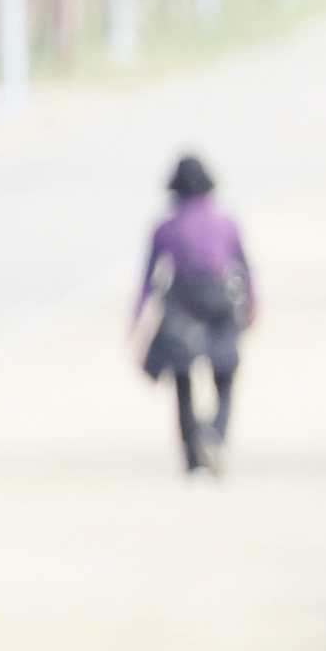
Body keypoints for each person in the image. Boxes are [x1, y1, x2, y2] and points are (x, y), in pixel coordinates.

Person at [130, 153, 258, 477]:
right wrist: (252, 306)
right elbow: (243, 268)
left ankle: (191, 454)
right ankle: (214, 433)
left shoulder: (165, 227)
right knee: (225, 374)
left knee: (183, 380)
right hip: (219, 299)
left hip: (182, 302)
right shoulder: (226, 221)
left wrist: (136, 322)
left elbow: (148, 279)